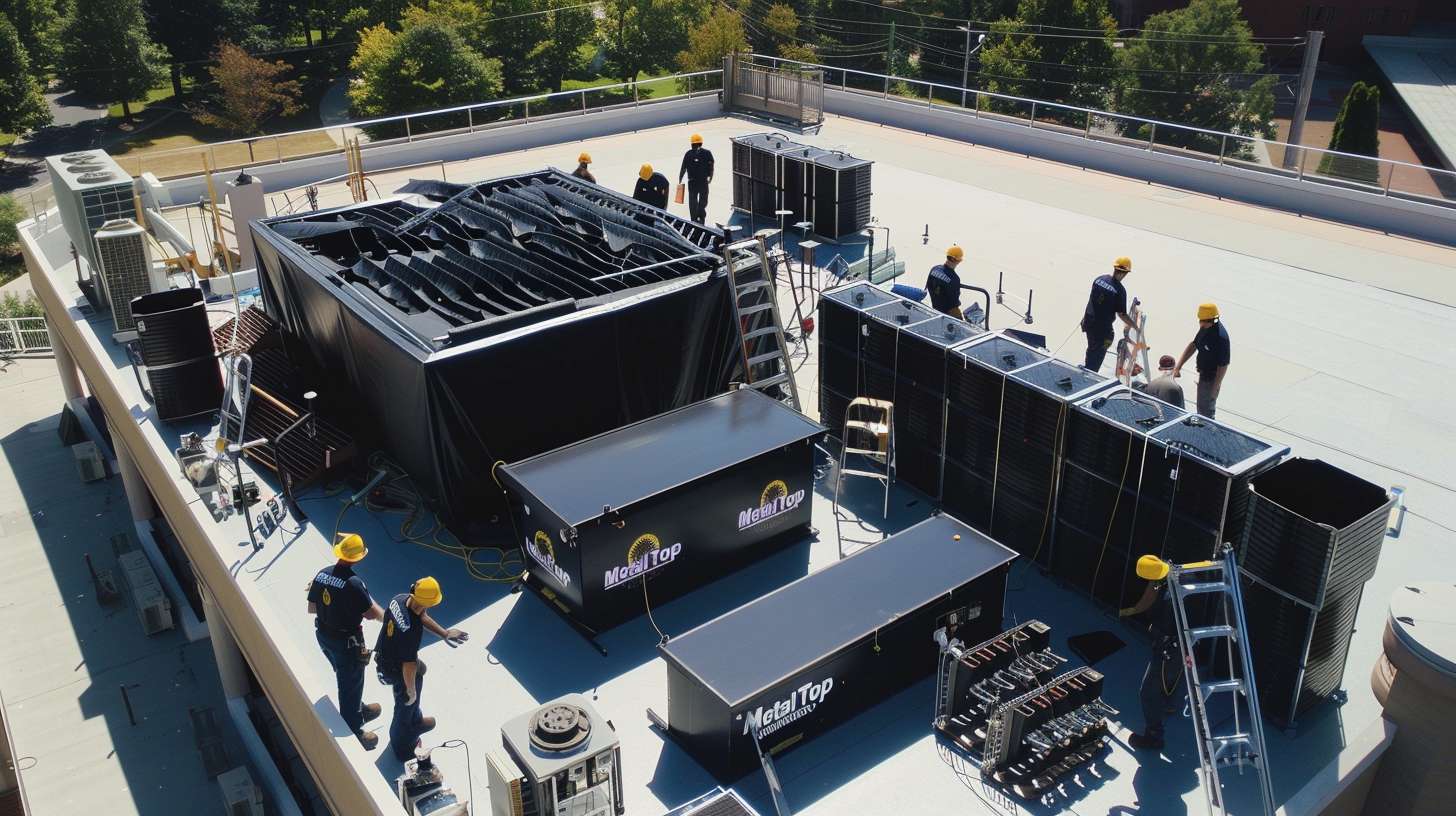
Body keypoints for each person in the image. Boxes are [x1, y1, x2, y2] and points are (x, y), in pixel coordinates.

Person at [374, 576, 469, 761]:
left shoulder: (400, 599)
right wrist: (411, 691)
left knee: (420, 671)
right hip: (395, 668)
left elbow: (421, 615)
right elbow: (408, 664)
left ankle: (416, 721)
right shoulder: (411, 630)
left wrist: (445, 633)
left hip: (388, 653)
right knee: (405, 705)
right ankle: (402, 747)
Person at [307, 533, 384, 749]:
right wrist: (388, 619)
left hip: (324, 637)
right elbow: (370, 614)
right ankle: (353, 726)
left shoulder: (322, 574)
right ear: (357, 558)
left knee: (345, 676)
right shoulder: (354, 583)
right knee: (349, 679)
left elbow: (312, 607)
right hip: (346, 643)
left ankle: (358, 707)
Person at [1121, 555, 1181, 752]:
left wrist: (1156, 632)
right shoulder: (1173, 578)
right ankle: (1169, 705)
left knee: (1148, 692)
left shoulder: (1170, 594)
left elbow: (1166, 621)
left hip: (1169, 649)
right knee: (1171, 680)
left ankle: (1154, 737)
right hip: (1181, 648)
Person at [1173, 303, 1230, 419]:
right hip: (1204, 375)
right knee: (1201, 408)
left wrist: (1214, 388)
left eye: (1201, 321)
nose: (1200, 323)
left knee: (1206, 412)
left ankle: (1207, 433)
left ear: (1209, 320)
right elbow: (1194, 345)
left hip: (1211, 378)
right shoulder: (1205, 328)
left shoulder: (1220, 338)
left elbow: (1223, 365)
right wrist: (1178, 367)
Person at [1081, 257, 1135, 373]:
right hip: (1103, 330)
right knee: (1100, 350)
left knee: (1092, 348)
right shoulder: (1119, 291)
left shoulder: (1099, 279)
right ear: (1125, 273)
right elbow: (1122, 314)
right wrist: (1135, 326)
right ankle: (1090, 373)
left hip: (1088, 322)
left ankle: (1087, 368)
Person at [678, 133, 714, 223]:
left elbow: (683, 168)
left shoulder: (688, 154)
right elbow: (711, 166)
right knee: (703, 200)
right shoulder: (707, 153)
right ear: (701, 143)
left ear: (692, 144)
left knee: (693, 202)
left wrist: (680, 179)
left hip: (692, 182)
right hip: (703, 182)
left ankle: (694, 219)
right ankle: (701, 218)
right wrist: (711, 177)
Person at [925, 245, 965, 318]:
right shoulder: (954, 278)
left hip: (935, 308)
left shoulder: (934, 269)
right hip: (947, 313)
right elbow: (954, 303)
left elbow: (928, 286)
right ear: (958, 261)